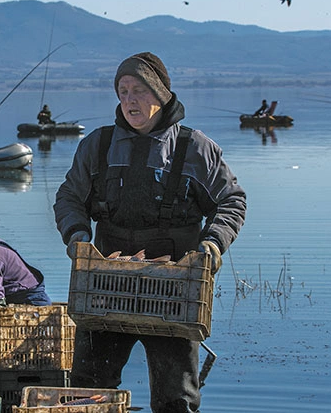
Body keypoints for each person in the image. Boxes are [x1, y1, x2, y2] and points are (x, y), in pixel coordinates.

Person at [53, 52, 247, 413]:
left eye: (138, 90)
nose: (129, 100)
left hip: (174, 290)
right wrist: (77, 235)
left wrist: (212, 244)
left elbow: (231, 201)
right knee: (87, 390)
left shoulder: (196, 148)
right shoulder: (97, 145)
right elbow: (68, 197)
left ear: (161, 95)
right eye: (123, 91)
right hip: (105, 285)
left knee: (177, 399)